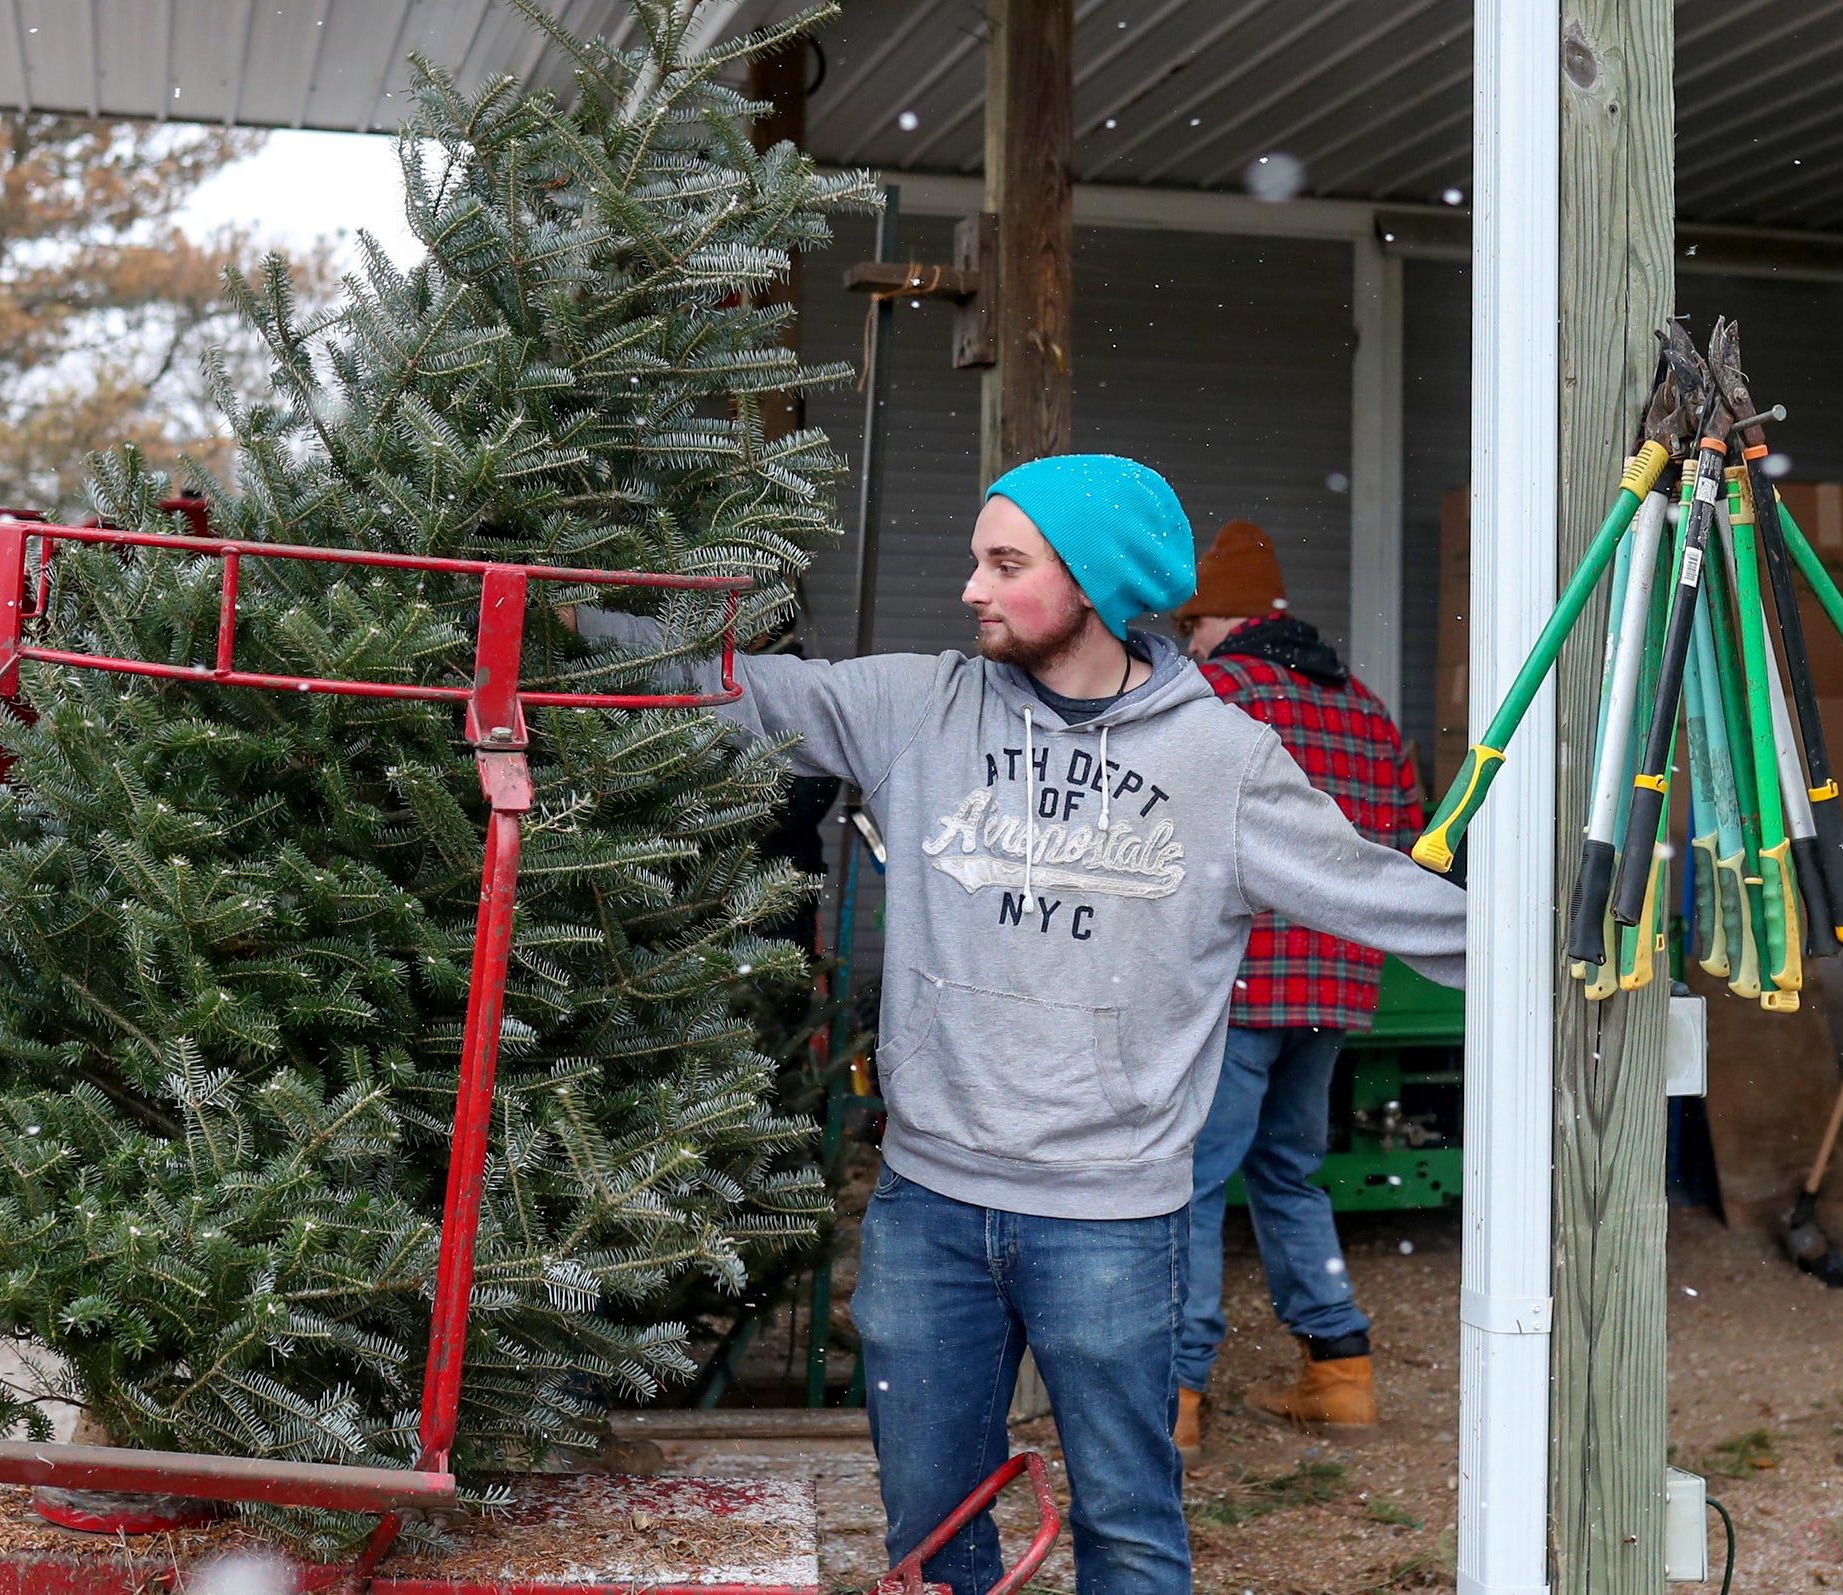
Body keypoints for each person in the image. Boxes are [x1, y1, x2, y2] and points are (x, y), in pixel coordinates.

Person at [573, 456, 1466, 1595]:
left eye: (1006, 563)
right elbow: (717, 683)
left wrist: (1556, 952)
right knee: (933, 1539)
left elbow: (1374, 890)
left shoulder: (1220, 761)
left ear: (1092, 584)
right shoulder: (915, 708)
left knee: (1131, 1533)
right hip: (926, 1211)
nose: (970, 589)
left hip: (1111, 1220)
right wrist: (546, 624)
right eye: (978, 558)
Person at [1168, 522, 1424, 1454]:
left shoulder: (1215, 691)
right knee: (1289, 1170)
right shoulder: (1366, 705)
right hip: (1337, 980)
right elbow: (1408, 834)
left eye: (1191, 623)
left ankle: (1177, 1396)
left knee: (1191, 1179)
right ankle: (1339, 1369)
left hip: (1239, 979)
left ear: (1221, 619)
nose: (1184, 640)